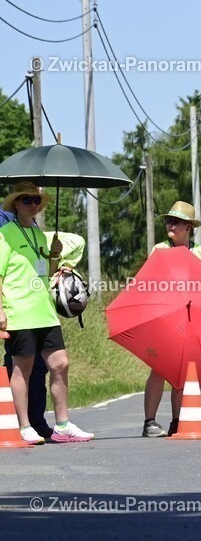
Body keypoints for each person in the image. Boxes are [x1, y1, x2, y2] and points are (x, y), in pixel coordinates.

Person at [0, 182, 93, 444]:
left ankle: (62, 424)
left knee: (60, 363)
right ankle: (24, 426)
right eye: (27, 200)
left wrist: (55, 258)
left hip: (45, 311)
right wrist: (0, 310)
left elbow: (47, 273)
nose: (33, 204)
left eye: (36, 201)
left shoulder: (40, 236)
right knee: (23, 369)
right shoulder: (5, 234)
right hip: (19, 311)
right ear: (16, 204)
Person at [142, 201, 201, 438]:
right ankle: (149, 422)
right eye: (168, 221)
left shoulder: (200, 253)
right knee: (159, 369)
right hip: (164, 316)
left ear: (188, 228)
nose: (170, 225)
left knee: (182, 372)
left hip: (190, 317)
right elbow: (149, 283)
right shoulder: (159, 249)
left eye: (176, 222)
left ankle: (176, 421)